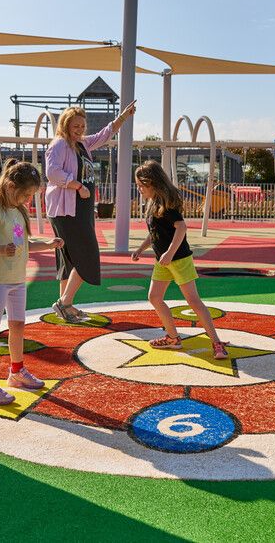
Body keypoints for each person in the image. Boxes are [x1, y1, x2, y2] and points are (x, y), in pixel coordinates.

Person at [0, 159, 64, 405]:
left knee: (18, 326)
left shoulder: (18, 211)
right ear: (11, 186)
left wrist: (47, 243)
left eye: (31, 195)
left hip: (17, 280)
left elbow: (23, 245)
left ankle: (16, 372)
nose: (27, 200)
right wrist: (2, 250)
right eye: (25, 194)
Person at [45, 102, 136, 322]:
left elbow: (104, 135)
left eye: (82, 126)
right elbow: (52, 172)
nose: (79, 129)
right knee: (87, 255)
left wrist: (123, 117)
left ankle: (66, 305)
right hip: (67, 210)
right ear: (66, 125)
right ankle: (64, 303)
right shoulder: (59, 144)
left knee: (69, 257)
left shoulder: (82, 144)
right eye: (75, 125)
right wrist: (77, 185)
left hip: (80, 209)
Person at [131, 160, 228, 360]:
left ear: (154, 183)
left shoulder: (166, 204)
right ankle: (173, 338)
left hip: (179, 259)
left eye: (142, 185)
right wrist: (141, 249)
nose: (139, 189)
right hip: (163, 262)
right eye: (138, 185)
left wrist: (169, 253)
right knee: (154, 297)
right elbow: (155, 233)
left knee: (193, 301)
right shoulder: (152, 204)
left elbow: (181, 228)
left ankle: (217, 343)